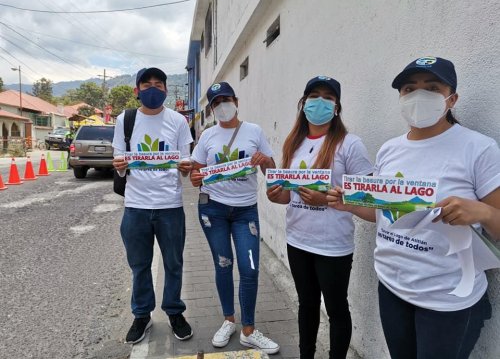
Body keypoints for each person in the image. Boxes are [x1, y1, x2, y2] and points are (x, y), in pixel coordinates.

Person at [326, 56, 500, 359]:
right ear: (400, 97)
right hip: (392, 286)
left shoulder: (479, 148)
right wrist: (351, 206)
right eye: (409, 89)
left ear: (451, 98)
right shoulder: (390, 149)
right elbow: (385, 214)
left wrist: (482, 213)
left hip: (446, 299)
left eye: (432, 87)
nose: (419, 96)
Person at [267, 76, 373, 359]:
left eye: (329, 97)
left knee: (337, 309)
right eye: (315, 96)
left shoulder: (350, 144)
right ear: (303, 104)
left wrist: (325, 199)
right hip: (298, 240)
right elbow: (289, 194)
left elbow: (368, 199)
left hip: (333, 245)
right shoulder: (294, 142)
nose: (321, 102)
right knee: (307, 305)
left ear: (337, 107)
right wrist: (278, 196)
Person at [189, 82, 280, 354]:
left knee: (250, 267)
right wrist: (195, 177)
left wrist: (264, 160)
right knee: (223, 264)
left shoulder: (254, 132)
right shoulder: (207, 136)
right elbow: (196, 175)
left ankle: (249, 330)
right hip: (213, 210)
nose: (222, 106)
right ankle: (229, 319)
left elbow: (272, 173)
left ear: (236, 101)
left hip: (245, 213)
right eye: (216, 103)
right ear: (212, 108)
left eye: (226, 100)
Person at [112, 67, 194, 344]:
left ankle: (174, 312)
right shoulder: (126, 119)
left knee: (173, 263)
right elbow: (119, 161)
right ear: (137, 90)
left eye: (159, 84)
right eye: (147, 84)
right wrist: (120, 165)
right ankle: (142, 315)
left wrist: (186, 167)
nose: (153, 88)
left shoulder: (178, 121)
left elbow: (186, 163)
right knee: (139, 265)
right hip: (135, 206)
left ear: (167, 91)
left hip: (170, 206)